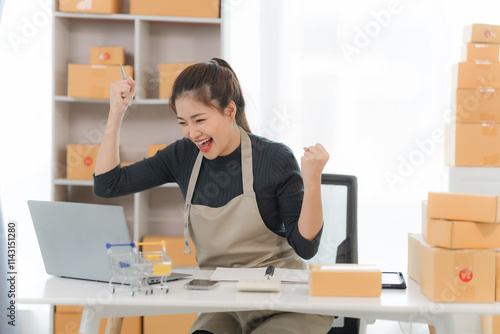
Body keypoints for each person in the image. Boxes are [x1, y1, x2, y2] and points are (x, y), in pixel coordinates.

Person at [93, 58, 333, 333]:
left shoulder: (273, 158)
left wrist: (312, 181)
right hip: (225, 304)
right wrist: (116, 113)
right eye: (183, 122)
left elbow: (306, 247)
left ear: (229, 110)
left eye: (200, 120)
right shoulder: (183, 155)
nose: (192, 133)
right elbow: (107, 185)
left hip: (285, 301)